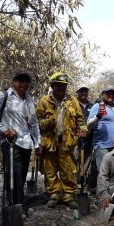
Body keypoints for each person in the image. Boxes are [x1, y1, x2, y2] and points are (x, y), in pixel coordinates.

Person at [0, 70, 41, 208]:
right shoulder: (3, 96)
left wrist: (38, 143)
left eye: (26, 81)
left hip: (26, 142)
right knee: (14, 174)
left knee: (20, 174)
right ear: (13, 81)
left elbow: (34, 122)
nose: (24, 83)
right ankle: (16, 204)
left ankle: (15, 202)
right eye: (20, 80)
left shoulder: (29, 99)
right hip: (10, 142)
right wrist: (4, 130)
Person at [36, 72, 87, 208]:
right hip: (49, 142)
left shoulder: (72, 101)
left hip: (67, 142)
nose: (61, 88)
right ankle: (54, 194)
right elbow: (36, 121)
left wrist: (83, 130)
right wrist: (46, 123)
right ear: (52, 86)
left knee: (68, 170)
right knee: (50, 170)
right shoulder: (44, 101)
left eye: (64, 86)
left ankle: (69, 196)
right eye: (58, 85)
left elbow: (80, 119)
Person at [87, 87, 114, 193]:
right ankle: (103, 197)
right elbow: (89, 125)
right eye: (108, 93)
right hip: (102, 146)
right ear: (102, 94)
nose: (111, 95)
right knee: (104, 173)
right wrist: (98, 116)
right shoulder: (98, 106)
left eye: (113, 93)